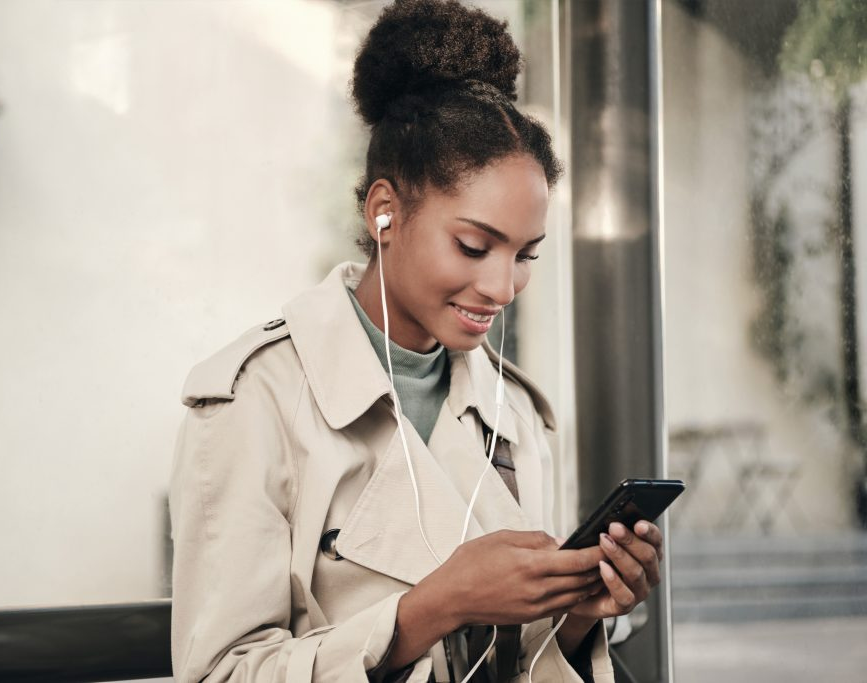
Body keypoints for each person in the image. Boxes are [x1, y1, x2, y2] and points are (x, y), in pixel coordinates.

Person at [168, 1, 663, 681]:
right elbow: (220, 672)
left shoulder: (513, 413)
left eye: (525, 255)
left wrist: (579, 612)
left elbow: (519, 663)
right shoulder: (255, 401)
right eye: (473, 244)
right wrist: (431, 607)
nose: (501, 285)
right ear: (384, 211)